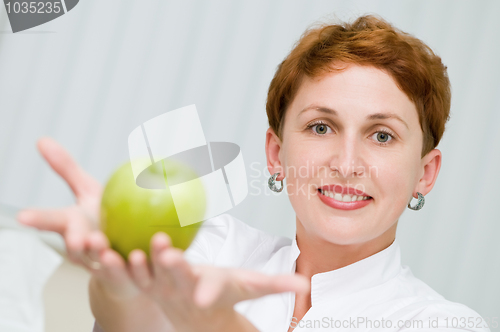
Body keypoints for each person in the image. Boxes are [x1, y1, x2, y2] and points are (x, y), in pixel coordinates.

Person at [17, 14, 490, 332]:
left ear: (425, 173)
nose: (346, 164)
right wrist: (119, 285)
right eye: (321, 126)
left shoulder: (442, 324)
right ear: (275, 153)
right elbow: (132, 319)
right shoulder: (210, 248)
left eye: (382, 135)